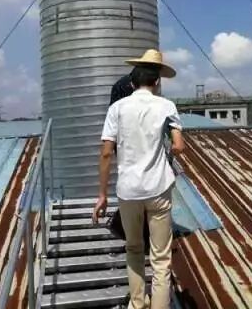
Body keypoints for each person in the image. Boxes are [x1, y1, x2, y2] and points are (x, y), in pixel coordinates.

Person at [93, 49, 185, 309]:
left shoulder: (117, 108)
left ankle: (137, 303)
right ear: (156, 82)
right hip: (158, 188)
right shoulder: (167, 106)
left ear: (132, 83)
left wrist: (102, 195)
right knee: (161, 258)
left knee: (133, 248)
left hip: (128, 190)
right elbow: (179, 146)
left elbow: (106, 153)